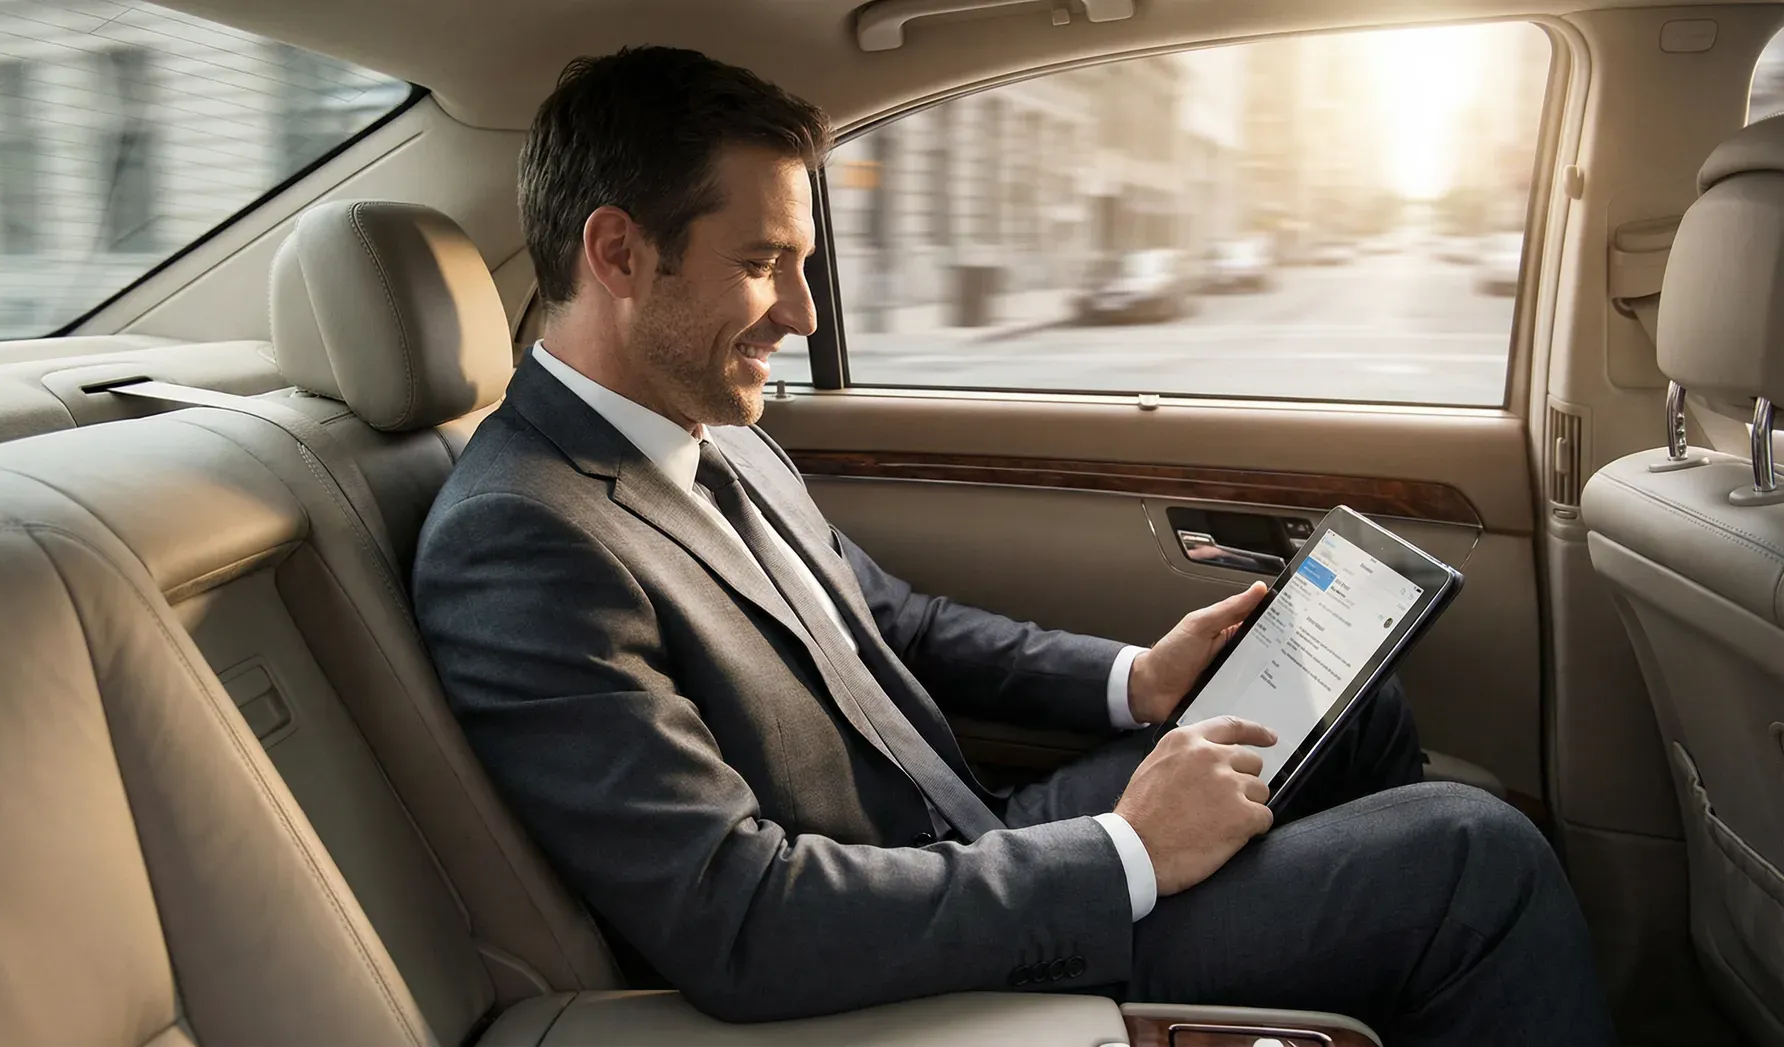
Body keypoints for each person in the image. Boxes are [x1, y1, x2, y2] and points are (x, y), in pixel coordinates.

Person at [412, 45, 1613, 1046]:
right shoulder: (521, 539)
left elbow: (897, 624)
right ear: (618, 254)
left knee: (1347, 707)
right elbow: (743, 915)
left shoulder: (714, 440)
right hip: (918, 957)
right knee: (1475, 859)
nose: (804, 314)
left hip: (978, 834)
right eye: (763, 263)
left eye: (804, 267)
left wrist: (1135, 679)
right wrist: (1127, 852)